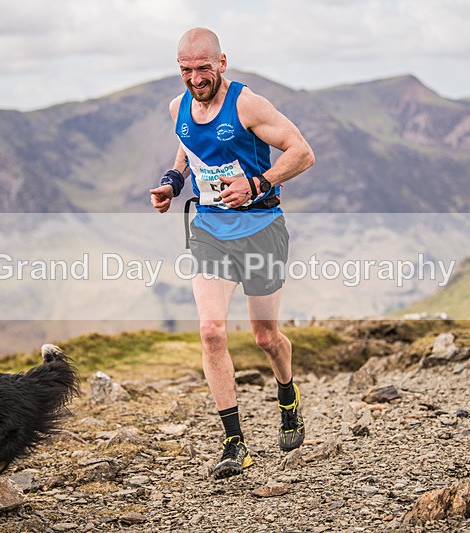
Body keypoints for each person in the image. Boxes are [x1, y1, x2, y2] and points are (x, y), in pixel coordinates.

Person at [150, 28, 315, 479]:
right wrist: (172, 182)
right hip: (209, 229)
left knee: (265, 337)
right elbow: (189, 149)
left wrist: (257, 184)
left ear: (222, 62)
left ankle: (288, 395)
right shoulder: (178, 107)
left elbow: (303, 152)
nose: (195, 78)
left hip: (262, 228)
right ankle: (234, 442)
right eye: (186, 70)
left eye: (203, 68)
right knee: (211, 332)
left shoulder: (248, 105)